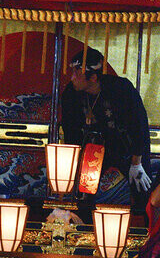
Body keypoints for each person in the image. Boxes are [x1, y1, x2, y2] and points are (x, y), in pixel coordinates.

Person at [60, 48, 151, 205]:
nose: (72, 78)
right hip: (93, 149)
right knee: (84, 194)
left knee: (140, 187)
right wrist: (72, 166)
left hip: (127, 147)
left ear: (93, 77)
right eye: (72, 72)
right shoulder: (71, 93)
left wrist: (137, 163)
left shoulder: (121, 89)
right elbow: (70, 131)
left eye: (77, 74)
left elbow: (139, 126)